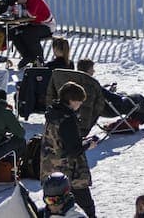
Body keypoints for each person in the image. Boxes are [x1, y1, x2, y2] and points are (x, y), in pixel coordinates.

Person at [41, 83, 99, 218]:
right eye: (79, 100)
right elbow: (73, 150)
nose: (80, 104)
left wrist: (82, 141)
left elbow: (61, 141)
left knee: (55, 208)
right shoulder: (67, 119)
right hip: (69, 171)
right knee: (86, 206)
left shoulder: (53, 113)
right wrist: (88, 145)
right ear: (72, 100)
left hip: (50, 167)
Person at [9, 0, 55, 65]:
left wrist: (20, 11)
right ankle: (27, 56)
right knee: (14, 31)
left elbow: (31, 14)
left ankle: (39, 60)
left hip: (47, 25)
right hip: (35, 24)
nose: (17, 5)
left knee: (29, 34)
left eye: (16, 3)